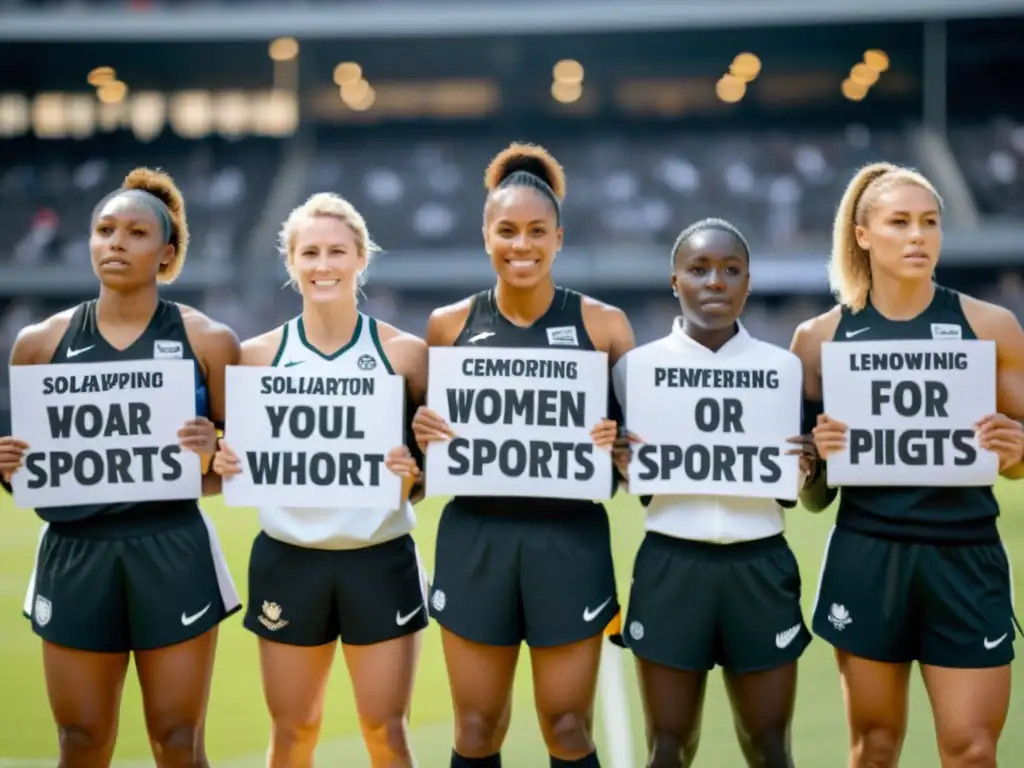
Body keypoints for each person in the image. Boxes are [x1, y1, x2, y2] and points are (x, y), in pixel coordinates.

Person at [0, 168, 241, 768]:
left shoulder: (208, 340)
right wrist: (6, 468)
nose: (115, 242)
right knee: (81, 742)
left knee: (178, 742)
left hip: (172, 547)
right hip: (75, 552)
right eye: (104, 230)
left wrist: (211, 450)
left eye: (135, 233)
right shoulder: (38, 342)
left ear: (166, 253)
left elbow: (240, 463)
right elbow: (34, 470)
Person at [792, 162, 1024, 768]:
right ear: (863, 235)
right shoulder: (817, 340)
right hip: (868, 554)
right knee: (874, 749)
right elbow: (812, 497)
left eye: (929, 222)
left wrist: (1018, 450)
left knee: (971, 750)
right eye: (900, 222)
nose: (919, 235)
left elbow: (1019, 464)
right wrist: (817, 456)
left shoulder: (990, 328)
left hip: (965, 557)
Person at [412, 143, 634, 768]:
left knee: (566, 726)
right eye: (506, 231)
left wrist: (620, 448)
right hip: (476, 537)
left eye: (537, 231)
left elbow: (639, 461)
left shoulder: (605, 326)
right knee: (477, 727)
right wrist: (422, 439)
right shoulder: (448, 326)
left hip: (569, 539)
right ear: (485, 235)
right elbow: (425, 468)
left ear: (559, 238)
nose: (522, 245)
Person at [210, 192, 429, 768]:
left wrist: (417, 471)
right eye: (309, 252)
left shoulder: (406, 355)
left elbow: (429, 470)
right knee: (293, 733)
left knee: (386, 732)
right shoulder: (254, 359)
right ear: (291, 263)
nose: (323, 264)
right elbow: (227, 457)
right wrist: (223, 460)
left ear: (362, 258)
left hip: (379, 559)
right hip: (289, 559)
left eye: (337, 251)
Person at [610, 219, 817, 768]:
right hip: (670, 564)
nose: (715, 282)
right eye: (698, 270)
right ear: (674, 281)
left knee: (771, 749)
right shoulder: (636, 369)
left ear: (748, 283)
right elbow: (610, 470)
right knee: (668, 751)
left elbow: (805, 483)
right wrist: (617, 458)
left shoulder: (784, 370)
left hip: (761, 563)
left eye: (730, 271)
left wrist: (812, 463)